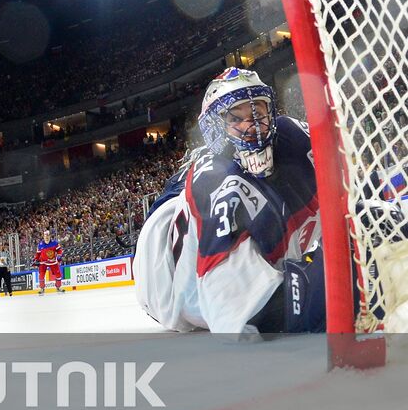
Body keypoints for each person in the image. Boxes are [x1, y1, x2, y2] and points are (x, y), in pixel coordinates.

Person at [134, 68, 324, 334]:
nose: (252, 126)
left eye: (257, 113)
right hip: (162, 282)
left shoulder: (292, 134)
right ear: (216, 127)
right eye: (236, 118)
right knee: (218, 187)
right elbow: (241, 315)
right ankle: (188, 174)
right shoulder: (218, 185)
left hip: (211, 184)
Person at [35, 229, 64, 294]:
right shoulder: (40, 244)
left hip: (53, 261)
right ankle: (42, 289)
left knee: (58, 274)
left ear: (50, 236)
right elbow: (38, 254)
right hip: (43, 262)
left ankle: (58, 287)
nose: (47, 236)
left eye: (48, 235)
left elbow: (59, 250)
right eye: (45, 235)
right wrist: (36, 259)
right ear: (43, 236)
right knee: (41, 275)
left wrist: (59, 255)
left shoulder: (55, 243)